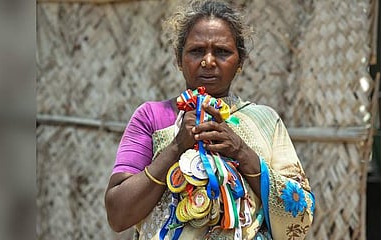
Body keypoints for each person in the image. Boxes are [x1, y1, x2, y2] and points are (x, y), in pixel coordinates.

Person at [104, 1, 314, 239]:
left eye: (222, 52)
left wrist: (241, 152)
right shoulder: (152, 116)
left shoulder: (265, 121)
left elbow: (301, 213)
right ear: (179, 59)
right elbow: (118, 214)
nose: (209, 61)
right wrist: (176, 147)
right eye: (196, 51)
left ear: (240, 62)